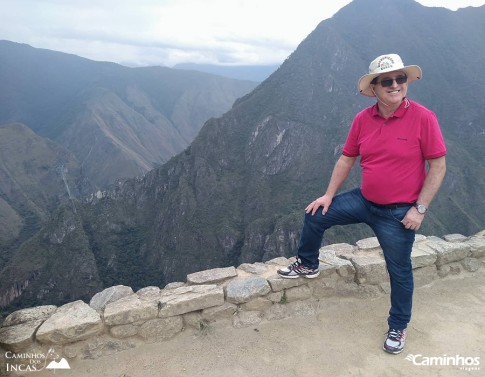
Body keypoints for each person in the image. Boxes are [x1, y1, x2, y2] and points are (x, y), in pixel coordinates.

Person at [277, 53, 447, 354]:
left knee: (400, 271)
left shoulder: (424, 118)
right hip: (364, 199)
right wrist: (328, 195)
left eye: (400, 79)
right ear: (375, 88)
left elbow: (438, 166)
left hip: (398, 212)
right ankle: (308, 263)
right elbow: (347, 158)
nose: (395, 85)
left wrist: (419, 209)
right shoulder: (362, 119)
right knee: (316, 215)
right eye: (387, 81)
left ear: (406, 82)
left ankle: (398, 325)